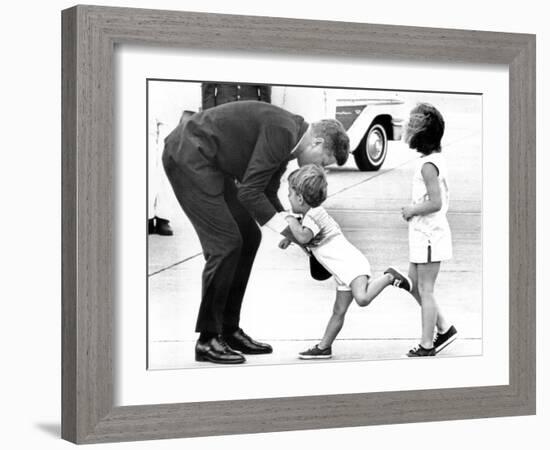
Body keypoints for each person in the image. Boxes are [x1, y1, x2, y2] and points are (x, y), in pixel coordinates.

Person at [162, 100, 350, 364]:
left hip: (210, 162)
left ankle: (228, 330)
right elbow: (249, 193)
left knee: (249, 237)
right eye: (324, 162)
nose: (321, 169)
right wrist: (290, 230)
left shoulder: (290, 138)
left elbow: (266, 191)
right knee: (225, 244)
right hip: (189, 156)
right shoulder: (283, 132)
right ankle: (207, 339)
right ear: (317, 143)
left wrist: (297, 233)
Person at [278, 164, 412, 359]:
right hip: (342, 273)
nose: (288, 197)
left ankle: (390, 276)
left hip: (352, 266)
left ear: (299, 197)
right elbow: (304, 235)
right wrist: (289, 237)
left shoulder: (315, 214)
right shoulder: (309, 216)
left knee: (363, 299)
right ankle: (324, 347)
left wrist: (289, 220)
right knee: (338, 311)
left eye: (289, 193)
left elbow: (305, 237)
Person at [401, 103, 458, 357]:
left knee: (425, 289)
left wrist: (412, 209)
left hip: (429, 237)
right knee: (414, 285)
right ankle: (444, 328)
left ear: (420, 135)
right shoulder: (431, 161)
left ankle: (427, 344)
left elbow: (435, 202)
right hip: (423, 236)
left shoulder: (427, 166)